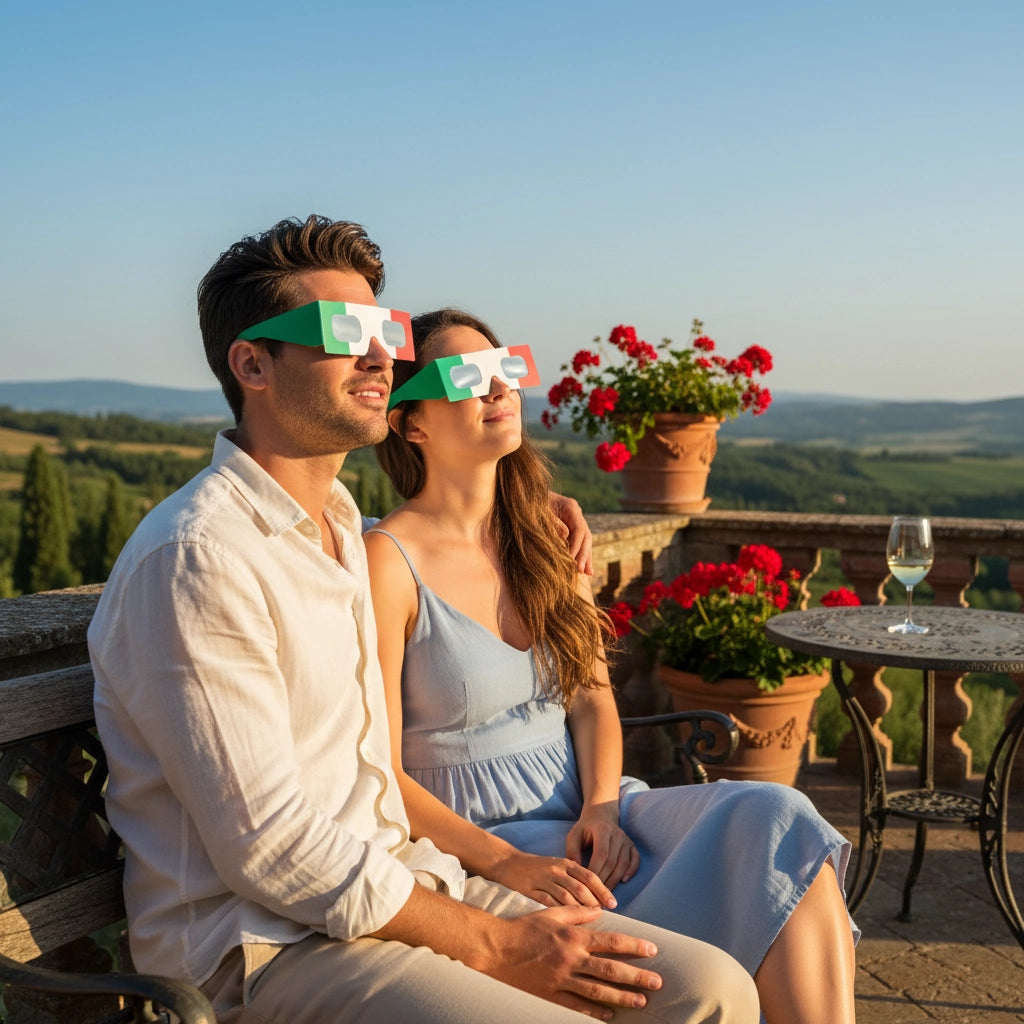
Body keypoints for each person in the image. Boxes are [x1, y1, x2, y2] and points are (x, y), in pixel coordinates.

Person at [89, 215, 761, 1024]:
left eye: (389, 330)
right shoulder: (199, 558)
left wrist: (524, 503)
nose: (382, 356)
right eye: (345, 331)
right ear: (253, 363)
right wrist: (494, 943)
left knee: (711, 989)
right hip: (268, 948)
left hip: (401, 888)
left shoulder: (336, 527)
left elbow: (449, 521)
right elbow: (269, 847)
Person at [366, 307, 860, 1024]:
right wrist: (503, 864)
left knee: (778, 818)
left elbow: (593, 700)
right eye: (467, 376)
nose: (499, 389)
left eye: (506, 369)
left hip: (596, 818)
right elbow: (381, 768)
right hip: (484, 846)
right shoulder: (388, 562)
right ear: (413, 423)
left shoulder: (542, 536)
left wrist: (602, 806)